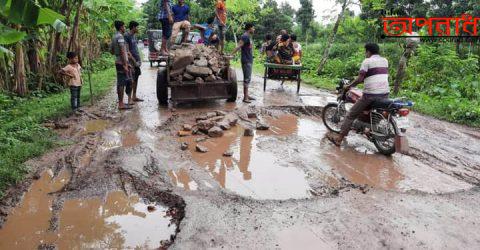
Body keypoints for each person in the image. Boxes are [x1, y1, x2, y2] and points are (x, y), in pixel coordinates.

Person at [327, 43, 390, 146]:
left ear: (368, 51)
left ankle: (339, 139)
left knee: (350, 114)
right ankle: (369, 130)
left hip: (370, 95)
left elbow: (360, 79)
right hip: (385, 94)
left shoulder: (367, 61)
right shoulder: (385, 60)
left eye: (365, 51)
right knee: (373, 113)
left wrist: (349, 86)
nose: (365, 54)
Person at [111, 20, 133, 110]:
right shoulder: (120, 37)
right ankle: (121, 104)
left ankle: (121, 102)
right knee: (121, 83)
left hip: (118, 60)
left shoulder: (114, 36)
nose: (125, 28)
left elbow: (111, 50)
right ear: (121, 27)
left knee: (121, 82)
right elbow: (122, 51)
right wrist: (125, 64)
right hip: (121, 62)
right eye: (124, 26)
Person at [232, 23, 255, 103]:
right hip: (246, 60)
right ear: (249, 28)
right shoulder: (245, 36)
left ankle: (247, 95)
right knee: (246, 79)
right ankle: (245, 98)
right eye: (253, 28)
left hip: (249, 59)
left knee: (248, 78)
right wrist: (231, 54)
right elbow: (239, 46)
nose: (254, 29)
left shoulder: (248, 36)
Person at [124, 21, 144, 103]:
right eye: (137, 27)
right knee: (131, 80)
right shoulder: (126, 36)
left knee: (136, 78)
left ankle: (134, 96)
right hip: (131, 62)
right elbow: (127, 51)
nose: (138, 28)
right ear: (133, 27)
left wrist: (138, 60)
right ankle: (129, 99)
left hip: (136, 61)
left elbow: (135, 49)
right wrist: (133, 61)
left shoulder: (134, 36)